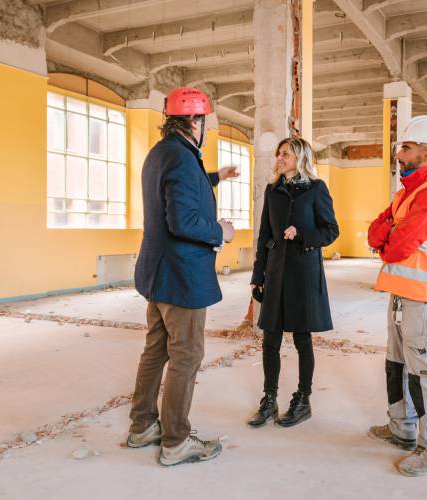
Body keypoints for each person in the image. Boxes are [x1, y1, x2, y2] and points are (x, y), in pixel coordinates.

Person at [127, 87, 239, 467]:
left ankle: (143, 426)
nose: (204, 127)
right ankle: (176, 441)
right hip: (181, 276)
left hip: (157, 273)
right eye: (204, 121)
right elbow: (183, 220)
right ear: (195, 121)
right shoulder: (182, 158)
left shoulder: (162, 153)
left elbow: (184, 187)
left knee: (156, 350)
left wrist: (217, 177)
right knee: (186, 355)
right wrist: (221, 231)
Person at [366, 115, 427, 477]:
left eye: (405, 147)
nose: (398, 153)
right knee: (396, 363)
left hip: (423, 297)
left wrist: (390, 235)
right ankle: (401, 429)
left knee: (423, 370)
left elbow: (396, 247)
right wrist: (390, 231)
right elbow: (375, 233)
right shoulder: (406, 193)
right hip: (400, 294)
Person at [247, 137, 339, 429]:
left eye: (285, 153)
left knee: (302, 338)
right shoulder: (273, 190)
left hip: (303, 272)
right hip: (276, 271)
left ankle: (303, 400)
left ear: (300, 158)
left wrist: (302, 235)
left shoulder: (316, 189)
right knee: (270, 339)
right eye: (279, 153)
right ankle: (269, 399)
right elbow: (264, 235)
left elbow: (331, 230)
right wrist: (257, 276)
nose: (279, 157)